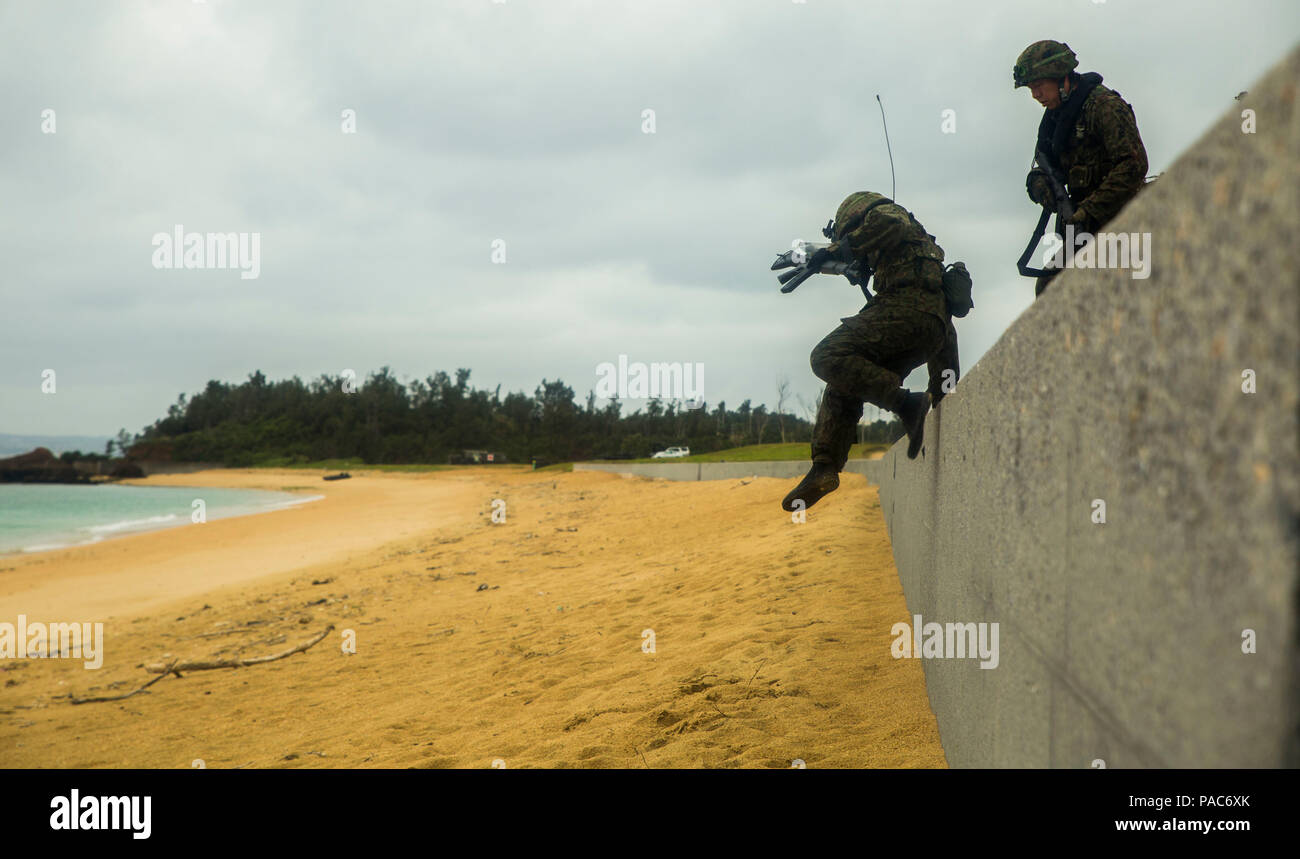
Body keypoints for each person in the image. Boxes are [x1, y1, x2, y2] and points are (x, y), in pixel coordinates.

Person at [781, 192, 959, 512]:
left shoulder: (886, 215)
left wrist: (834, 250)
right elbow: (942, 329)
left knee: (827, 356)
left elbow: (886, 225)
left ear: (855, 219)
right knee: (847, 381)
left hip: (903, 314)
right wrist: (944, 390)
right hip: (926, 332)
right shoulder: (916, 256)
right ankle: (825, 468)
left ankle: (905, 404)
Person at [1015, 40, 1148, 297]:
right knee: (1049, 289)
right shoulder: (1055, 120)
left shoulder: (1104, 106)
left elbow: (1134, 165)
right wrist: (1041, 187)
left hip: (1125, 223)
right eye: (1031, 88)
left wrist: (1088, 211)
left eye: (1039, 86)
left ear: (1060, 77)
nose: (1036, 95)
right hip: (1084, 231)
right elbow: (1042, 166)